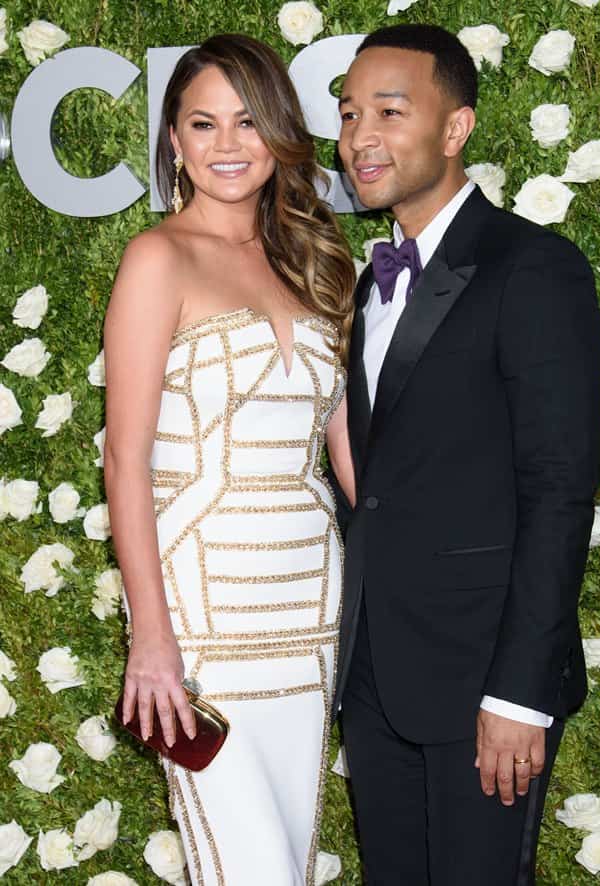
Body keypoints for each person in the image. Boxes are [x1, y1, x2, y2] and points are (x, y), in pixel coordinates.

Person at [331, 24, 600, 885]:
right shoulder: (359, 285)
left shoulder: (532, 267)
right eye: (347, 114)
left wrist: (520, 692)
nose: (360, 138)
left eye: (388, 110)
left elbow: (560, 489)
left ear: (455, 129)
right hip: (376, 674)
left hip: (485, 679)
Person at [103, 33, 355, 885]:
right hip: (203, 614)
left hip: (311, 603)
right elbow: (126, 463)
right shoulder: (157, 258)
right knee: (247, 866)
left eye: (247, 122)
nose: (226, 146)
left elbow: (348, 457)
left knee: (285, 854)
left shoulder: (313, 262)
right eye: (202, 124)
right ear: (173, 140)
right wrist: (152, 637)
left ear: (277, 132)